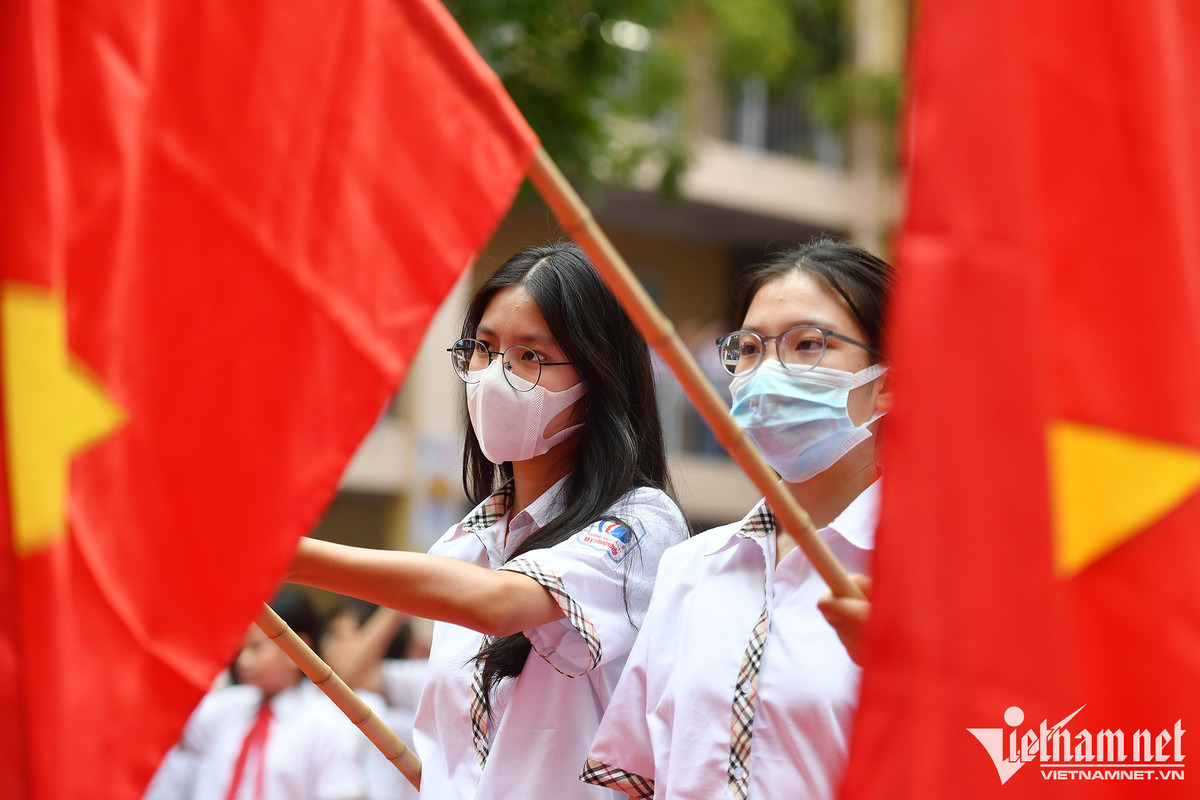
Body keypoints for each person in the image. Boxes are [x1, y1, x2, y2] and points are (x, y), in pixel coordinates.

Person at [286, 242, 688, 799]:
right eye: (484, 348)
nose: (494, 376)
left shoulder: (641, 523)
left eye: (531, 356)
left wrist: (286, 556)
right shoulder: (466, 544)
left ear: (599, 379)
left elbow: (501, 605)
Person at [583, 237, 891, 799]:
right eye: (748, 349)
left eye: (807, 344)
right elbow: (635, 781)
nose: (767, 372)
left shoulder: (945, 579)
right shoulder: (690, 571)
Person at [144, 588, 367, 800]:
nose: (243, 661)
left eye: (255, 647)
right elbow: (165, 721)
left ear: (296, 652)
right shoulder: (227, 706)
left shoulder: (326, 723)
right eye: (242, 648)